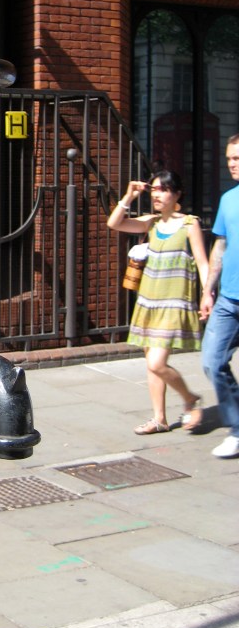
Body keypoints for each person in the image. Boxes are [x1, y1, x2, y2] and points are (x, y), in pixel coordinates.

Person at [107, 169, 208, 435]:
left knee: (156, 363)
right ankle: (159, 418)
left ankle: (189, 398)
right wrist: (129, 196)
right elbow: (115, 223)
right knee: (151, 362)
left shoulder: (189, 224)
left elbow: (202, 262)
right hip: (149, 301)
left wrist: (207, 294)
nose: (157, 195)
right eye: (154, 189)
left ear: (176, 194)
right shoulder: (151, 223)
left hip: (175, 302)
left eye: (163, 189)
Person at [199, 134, 239, 459]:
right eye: (229, 158)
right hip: (229, 299)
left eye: (237, 158)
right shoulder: (228, 199)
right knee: (212, 362)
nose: (232, 163)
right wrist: (208, 290)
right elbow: (220, 246)